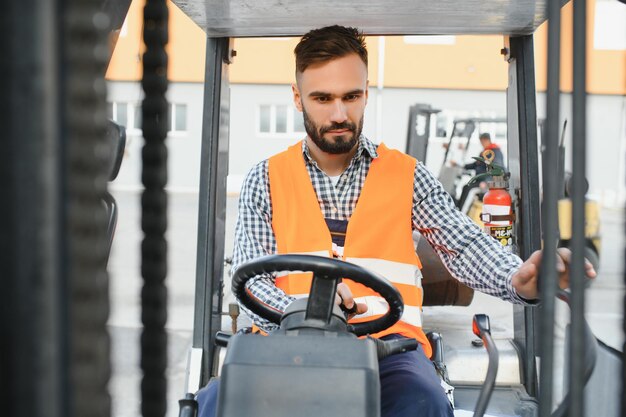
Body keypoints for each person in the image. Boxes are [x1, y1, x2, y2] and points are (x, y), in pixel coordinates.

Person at [196, 25, 595, 417]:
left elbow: (464, 245)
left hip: (387, 348)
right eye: (323, 98)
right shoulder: (265, 178)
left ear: (366, 93)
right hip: (282, 342)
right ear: (298, 98)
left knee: (423, 401)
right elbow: (253, 278)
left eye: (351, 96)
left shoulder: (408, 175)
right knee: (215, 403)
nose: (339, 114)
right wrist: (301, 310)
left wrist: (516, 277)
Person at [453, 132, 505, 209]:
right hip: (481, 179)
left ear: (486, 140)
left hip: (488, 181)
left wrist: (487, 181)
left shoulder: (495, 152)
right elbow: (477, 164)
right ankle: (458, 208)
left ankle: (461, 210)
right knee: (466, 187)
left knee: (468, 189)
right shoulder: (485, 152)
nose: (481, 144)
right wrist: (462, 166)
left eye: (482, 142)